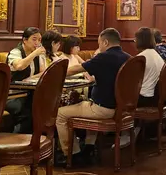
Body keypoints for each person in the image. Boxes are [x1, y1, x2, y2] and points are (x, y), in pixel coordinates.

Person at [55, 28, 130, 166]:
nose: (99, 46)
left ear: (105, 42)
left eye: (99, 43)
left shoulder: (103, 57)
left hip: (103, 109)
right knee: (87, 102)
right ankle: (88, 148)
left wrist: (53, 72)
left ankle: (72, 154)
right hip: (121, 108)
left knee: (60, 114)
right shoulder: (128, 58)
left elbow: (76, 69)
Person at [5, 27, 46, 133]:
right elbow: (19, 66)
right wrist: (35, 54)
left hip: (28, 93)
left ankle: (39, 139)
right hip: (12, 96)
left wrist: (31, 78)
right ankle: (18, 140)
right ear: (24, 40)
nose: (37, 43)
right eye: (34, 39)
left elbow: (43, 72)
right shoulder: (15, 52)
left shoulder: (36, 54)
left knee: (44, 107)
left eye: (39, 40)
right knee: (28, 111)